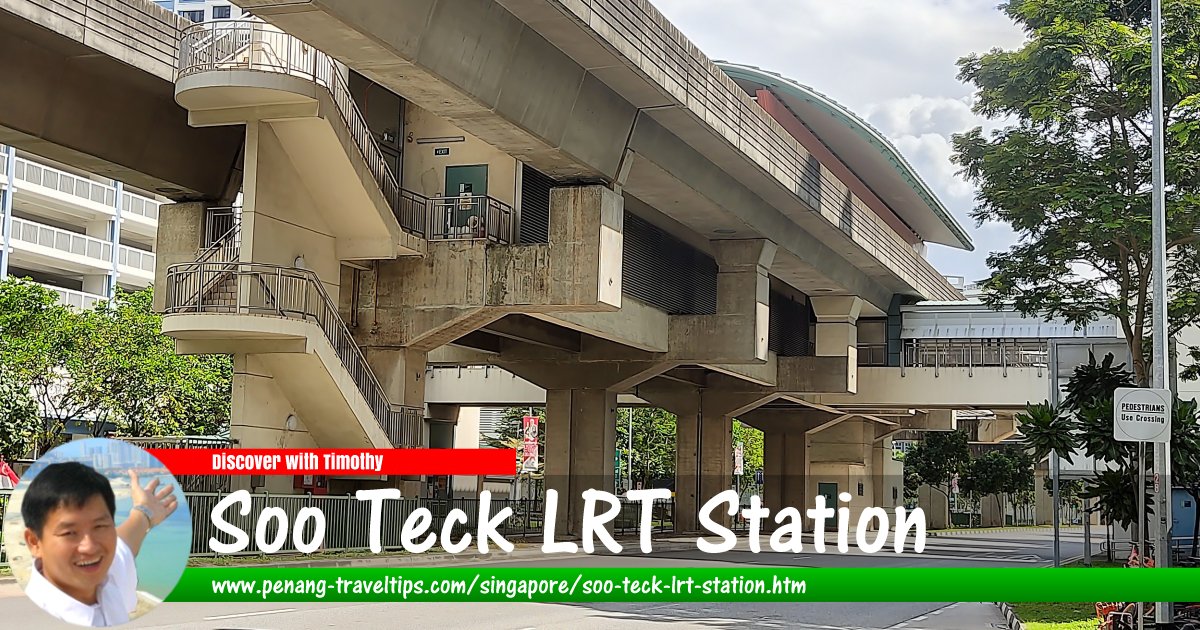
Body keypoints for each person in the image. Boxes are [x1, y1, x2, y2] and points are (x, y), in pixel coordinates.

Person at [21, 462, 179, 627]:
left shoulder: (106, 576)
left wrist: (145, 511)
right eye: (69, 533)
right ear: (34, 542)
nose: (89, 547)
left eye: (100, 526)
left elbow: (124, 544)